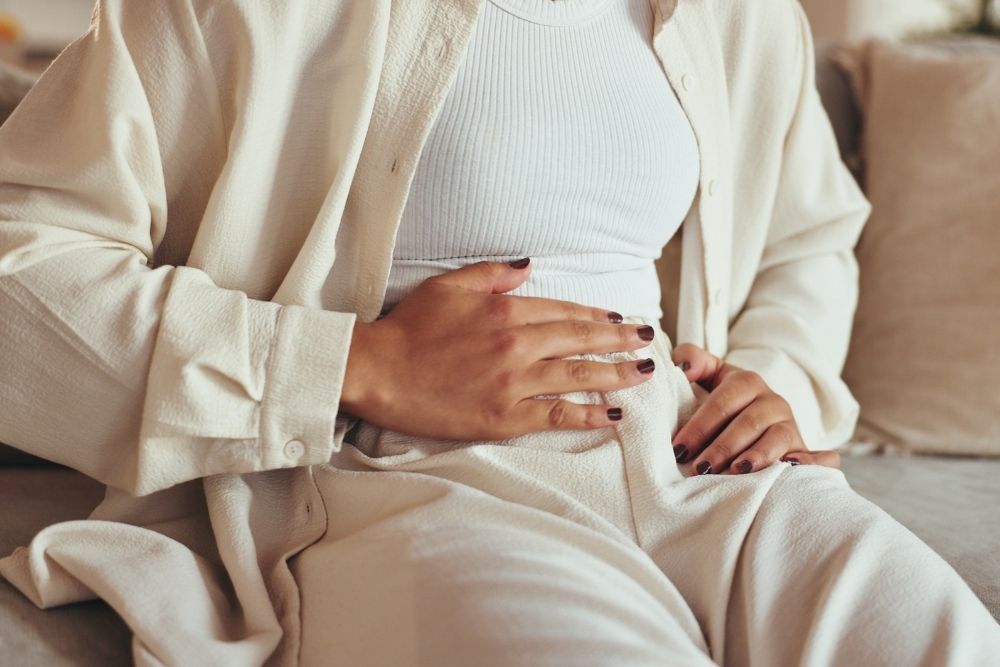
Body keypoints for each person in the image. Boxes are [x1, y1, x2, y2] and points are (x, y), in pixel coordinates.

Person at [0, 0, 996, 665]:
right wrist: (350, 365)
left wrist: (772, 379)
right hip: (418, 483)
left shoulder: (738, 12)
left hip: (712, 472)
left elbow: (804, 239)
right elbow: (20, 268)